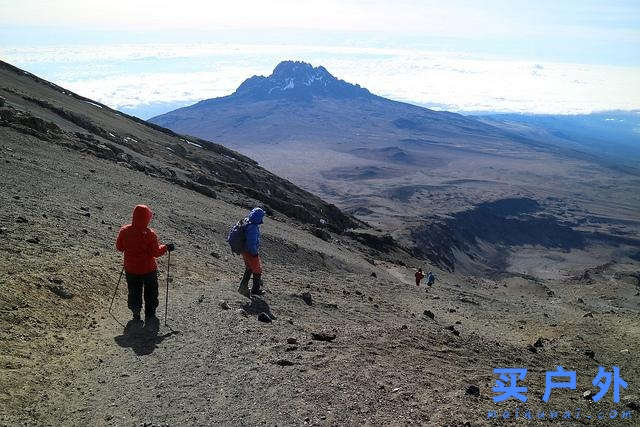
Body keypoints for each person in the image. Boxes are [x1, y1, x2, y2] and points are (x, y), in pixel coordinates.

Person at [116, 204, 174, 322]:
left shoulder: (124, 230)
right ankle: (150, 314)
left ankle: (136, 312)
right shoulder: (150, 234)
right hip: (148, 269)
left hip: (131, 269)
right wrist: (166, 247)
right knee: (151, 291)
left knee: (134, 291)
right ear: (147, 218)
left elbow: (119, 247)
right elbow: (156, 252)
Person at [238, 207, 265, 297]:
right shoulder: (253, 227)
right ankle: (255, 290)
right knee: (257, 270)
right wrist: (254, 253)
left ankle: (243, 287)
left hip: (244, 250)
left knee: (249, 268)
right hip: (250, 252)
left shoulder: (247, 221)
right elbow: (251, 243)